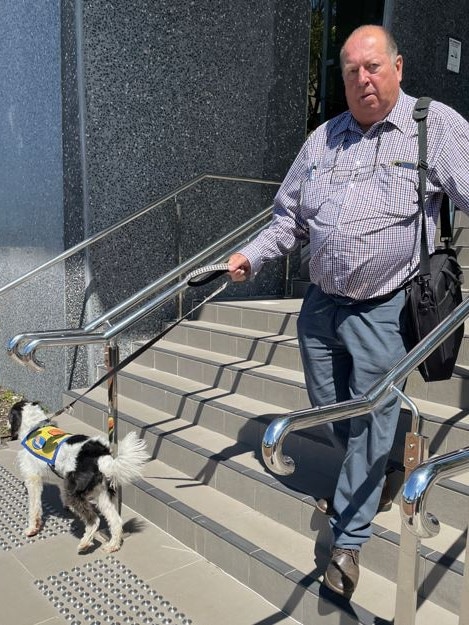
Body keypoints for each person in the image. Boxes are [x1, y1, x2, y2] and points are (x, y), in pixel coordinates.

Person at [227, 24, 469, 599]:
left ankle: (348, 540)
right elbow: (289, 218)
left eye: (373, 66)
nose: (362, 78)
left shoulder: (433, 127)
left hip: (386, 305)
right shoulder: (323, 139)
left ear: (398, 67)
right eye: (351, 70)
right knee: (331, 410)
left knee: (369, 414)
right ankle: (382, 454)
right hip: (320, 306)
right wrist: (251, 257)